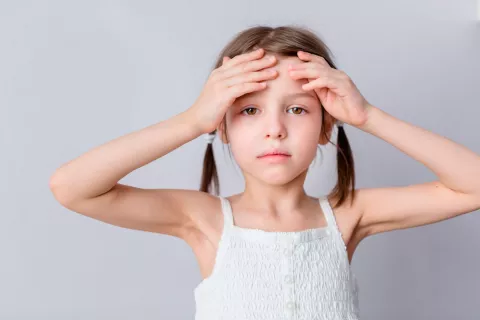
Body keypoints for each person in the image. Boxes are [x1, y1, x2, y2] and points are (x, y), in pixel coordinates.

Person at [49, 25, 480, 319]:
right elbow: (72, 188)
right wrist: (190, 121)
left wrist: (367, 115)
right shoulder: (205, 219)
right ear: (223, 125)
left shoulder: (347, 216)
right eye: (250, 110)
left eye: (297, 109)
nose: (275, 129)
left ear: (327, 125)